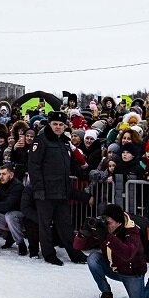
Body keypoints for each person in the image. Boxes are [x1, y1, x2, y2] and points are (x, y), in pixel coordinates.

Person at [73, 203, 149, 298]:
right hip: (113, 269)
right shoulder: (104, 229)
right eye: (105, 221)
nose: (107, 225)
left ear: (119, 222)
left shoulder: (132, 231)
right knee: (93, 258)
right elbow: (78, 246)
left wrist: (107, 237)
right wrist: (83, 233)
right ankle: (106, 293)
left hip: (132, 273)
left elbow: (128, 254)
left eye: (109, 222)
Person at [27, 111, 87, 266]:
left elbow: (70, 164)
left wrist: (83, 172)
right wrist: (38, 190)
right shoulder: (41, 141)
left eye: (61, 124)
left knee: (66, 225)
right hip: (45, 192)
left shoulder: (65, 142)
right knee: (45, 225)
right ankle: (49, 254)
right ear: (49, 124)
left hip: (62, 191)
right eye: (55, 124)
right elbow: (34, 167)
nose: (58, 127)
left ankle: (75, 254)